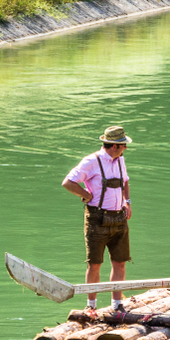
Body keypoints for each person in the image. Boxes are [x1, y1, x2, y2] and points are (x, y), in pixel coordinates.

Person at [62, 126, 134, 312]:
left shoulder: (120, 160)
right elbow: (68, 182)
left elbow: (125, 181)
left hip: (119, 218)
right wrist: (85, 194)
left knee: (120, 262)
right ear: (116, 146)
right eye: (124, 145)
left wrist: (127, 201)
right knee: (95, 264)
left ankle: (117, 305)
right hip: (97, 218)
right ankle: (91, 306)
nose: (125, 148)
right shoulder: (91, 161)